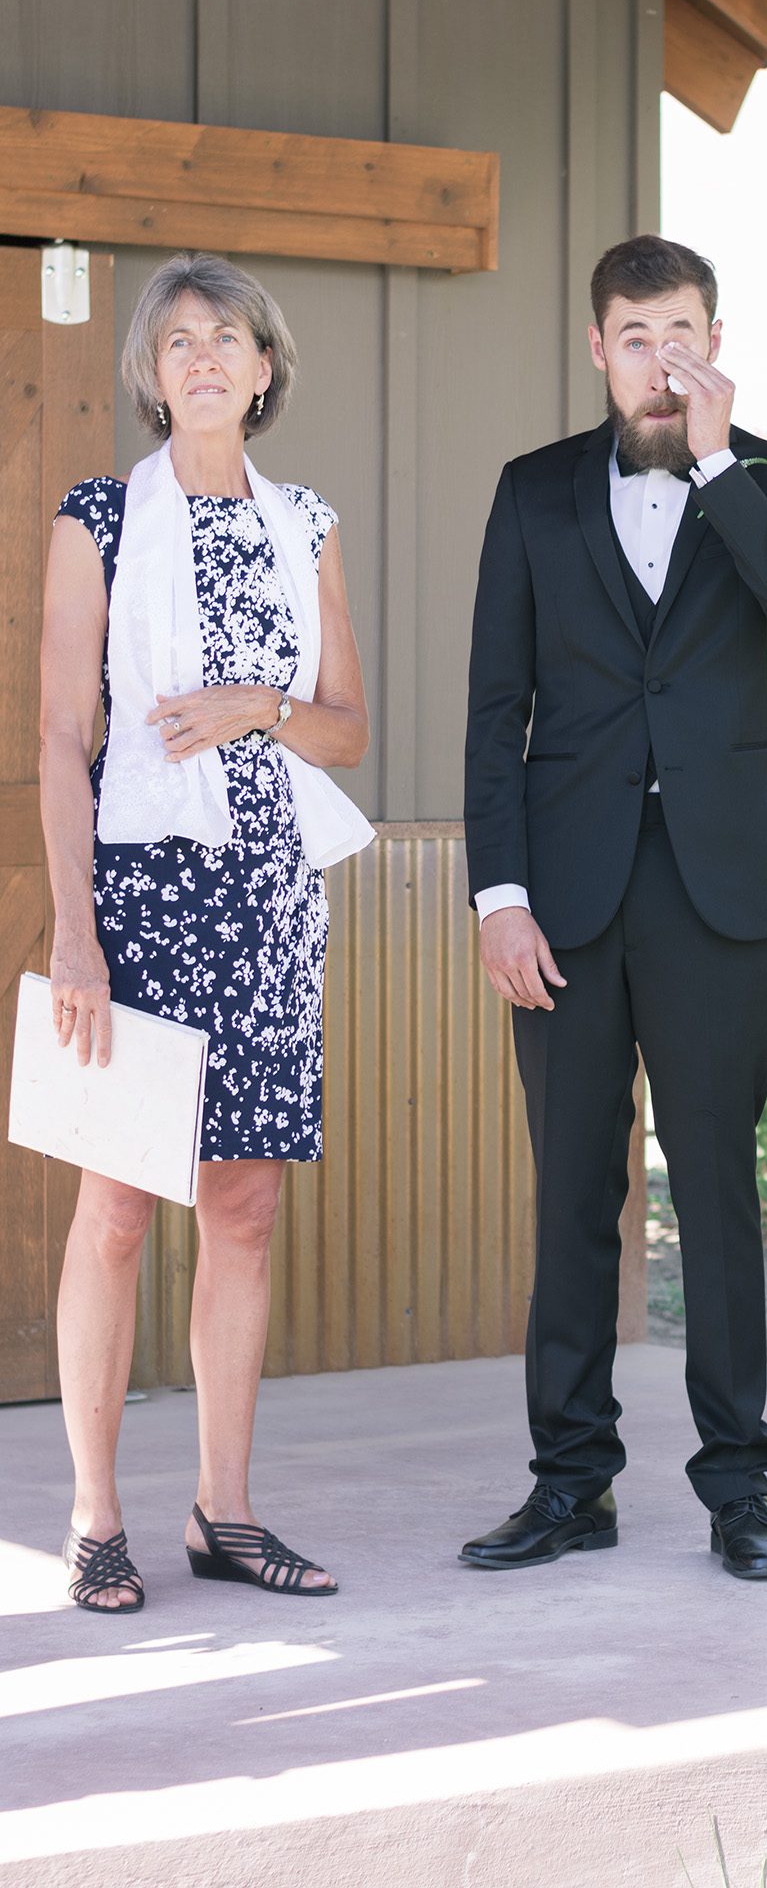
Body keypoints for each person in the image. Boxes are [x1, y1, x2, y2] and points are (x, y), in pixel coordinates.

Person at [461, 234, 767, 1580]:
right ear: (596, 348)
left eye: (682, 333)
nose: (659, 358)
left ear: (714, 338)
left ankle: (739, 1488)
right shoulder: (531, 493)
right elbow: (493, 709)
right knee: (571, 1192)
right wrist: (496, 899)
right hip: (560, 901)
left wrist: (721, 458)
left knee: (718, 1192)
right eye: (635, 336)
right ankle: (571, 1482)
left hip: (714, 894)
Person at [41, 251, 373, 1611]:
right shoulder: (100, 517)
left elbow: (349, 727)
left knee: (244, 1204)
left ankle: (222, 1512)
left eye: (226, 335)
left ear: (266, 366)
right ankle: (94, 1515)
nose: (202, 355)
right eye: (175, 339)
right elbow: (62, 736)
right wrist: (75, 931)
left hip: (271, 894)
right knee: (116, 1204)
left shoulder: (308, 521)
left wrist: (257, 708)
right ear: (150, 373)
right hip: (140, 890)